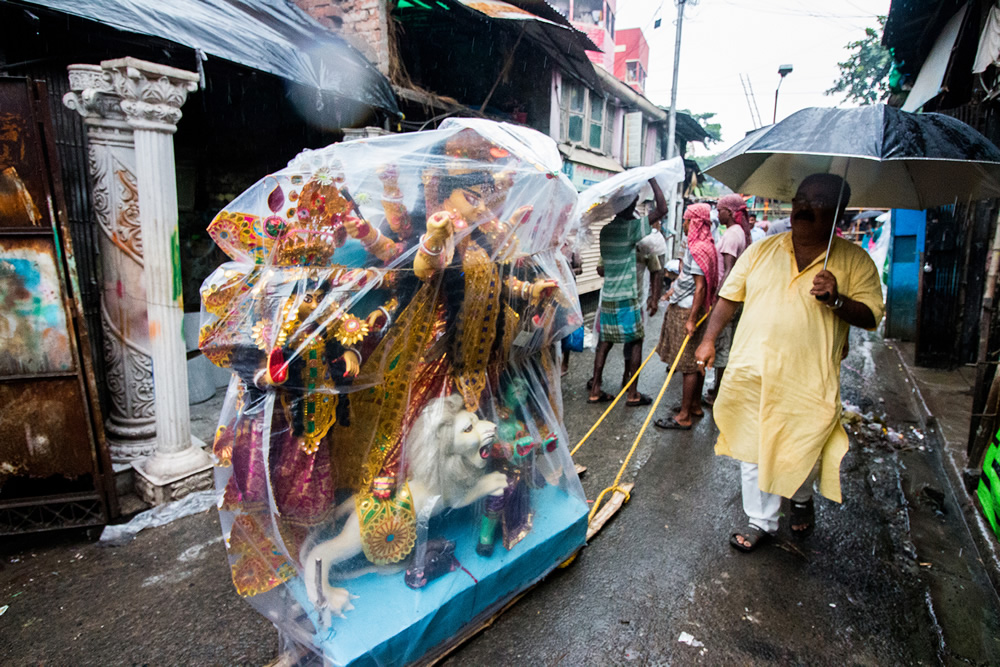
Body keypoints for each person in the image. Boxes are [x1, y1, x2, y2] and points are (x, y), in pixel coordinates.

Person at [693, 173, 884, 551]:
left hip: (808, 378)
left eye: (818, 201)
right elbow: (730, 297)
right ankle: (759, 520)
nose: (804, 207)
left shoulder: (854, 261)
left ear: (838, 213)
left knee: (801, 446)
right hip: (753, 369)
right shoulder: (762, 250)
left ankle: (800, 498)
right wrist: (708, 340)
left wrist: (836, 299)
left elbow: (871, 316)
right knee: (753, 446)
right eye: (801, 198)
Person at [588, 179, 668, 406]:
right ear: (630, 204)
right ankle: (632, 393)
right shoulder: (631, 230)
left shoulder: (606, 231)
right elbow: (662, 210)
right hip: (627, 297)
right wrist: (653, 179)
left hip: (609, 296)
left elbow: (603, 267)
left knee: (604, 342)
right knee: (635, 341)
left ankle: (595, 389)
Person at [653, 203, 719, 429]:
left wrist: (691, 319)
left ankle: (683, 415)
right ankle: (693, 406)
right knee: (695, 360)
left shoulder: (697, 247)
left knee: (688, 363)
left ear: (695, 222)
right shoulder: (709, 245)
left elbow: (700, 286)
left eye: (687, 220)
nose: (684, 224)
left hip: (688, 309)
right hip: (696, 306)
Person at [704, 194, 753, 407]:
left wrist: (719, 298)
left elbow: (729, 269)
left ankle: (718, 392)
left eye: (720, 209)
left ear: (730, 213)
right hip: (734, 296)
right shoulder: (737, 232)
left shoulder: (733, 235)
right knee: (726, 343)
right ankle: (718, 389)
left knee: (722, 345)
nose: (717, 213)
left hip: (728, 297)